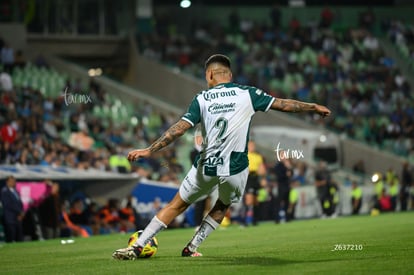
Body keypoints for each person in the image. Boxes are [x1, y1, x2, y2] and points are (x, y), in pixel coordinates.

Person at [112, 54, 331, 260]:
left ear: (209, 75)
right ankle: (192, 247)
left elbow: (179, 129)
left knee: (177, 205)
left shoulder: (202, 98)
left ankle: (138, 245)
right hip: (235, 168)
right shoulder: (248, 93)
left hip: (206, 166)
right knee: (222, 204)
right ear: (230, 75)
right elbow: (284, 104)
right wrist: (312, 107)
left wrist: (150, 150)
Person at [244, 140, 266, 226]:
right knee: (249, 200)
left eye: (253, 145)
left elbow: (262, 169)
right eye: (250, 145)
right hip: (248, 178)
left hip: (256, 178)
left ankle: (255, 221)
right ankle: (245, 221)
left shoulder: (258, 157)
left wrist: (263, 178)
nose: (252, 147)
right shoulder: (244, 155)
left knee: (256, 201)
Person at [0, 175, 24, 242]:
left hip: (18, 217)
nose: (13, 182)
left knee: (19, 237)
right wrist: (19, 212)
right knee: (11, 237)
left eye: (14, 181)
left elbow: (19, 203)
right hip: (10, 218)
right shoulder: (4, 191)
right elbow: (8, 205)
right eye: (12, 181)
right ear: (7, 182)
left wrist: (22, 212)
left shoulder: (15, 191)